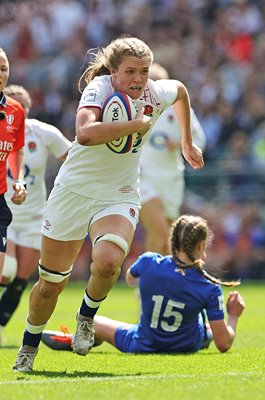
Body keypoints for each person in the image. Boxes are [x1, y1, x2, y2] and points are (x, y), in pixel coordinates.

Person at [13, 35, 204, 372]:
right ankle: (28, 346)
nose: (138, 79)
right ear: (113, 72)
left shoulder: (154, 92)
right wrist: (135, 125)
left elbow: (182, 91)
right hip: (73, 191)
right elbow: (85, 133)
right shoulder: (99, 89)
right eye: (130, 71)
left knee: (108, 262)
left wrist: (187, 142)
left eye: (144, 71)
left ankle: (86, 318)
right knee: (50, 286)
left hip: (119, 191)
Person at [42, 214, 245, 354]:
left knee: (85, 316)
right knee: (203, 325)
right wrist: (233, 316)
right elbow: (224, 344)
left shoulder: (149, 262)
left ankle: (84, 338)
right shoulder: (208, 286)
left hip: (141, 342)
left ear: (172, 240)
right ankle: (203, 332)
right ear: (201, 246)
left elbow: (130, 280)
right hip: (187, 344)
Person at [0, 85, 72, 346]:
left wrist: (67, 187)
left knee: (21, 279)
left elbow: (71, 155)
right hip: (5, 213)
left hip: (32, 217)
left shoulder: (42, 133)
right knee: (5, 271)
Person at [139, 63, 206, 254]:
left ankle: (164, 281)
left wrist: (179, 143)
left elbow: (200, 139)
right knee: (159, 233)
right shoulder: (134, 107)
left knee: (168, 239)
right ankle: (147, 282)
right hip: (145, 178)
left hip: (171, 178)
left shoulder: (178, 108)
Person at [0, 48, 27, 282]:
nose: (0, 73)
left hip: (0, 199)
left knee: (2, 274)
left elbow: (15, 149)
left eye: (3, 68)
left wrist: (18, 180)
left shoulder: (15, 111)